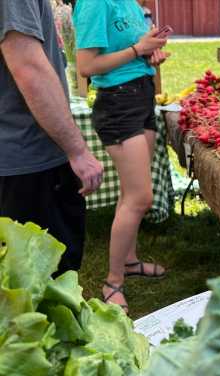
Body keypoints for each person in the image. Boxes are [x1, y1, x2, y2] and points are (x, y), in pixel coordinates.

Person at [74, 0, 170, 313]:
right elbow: (86, 66)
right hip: (117, 105)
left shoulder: (129, 3)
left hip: (141, 94)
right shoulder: (94, 3)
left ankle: (129, 262)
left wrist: (151, 51)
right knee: (140, 198)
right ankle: (112, 282)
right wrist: (136, 49)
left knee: (132, 194)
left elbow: (135, 49)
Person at [0, 0, 103, 275]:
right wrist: (78, 151)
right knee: (41, 287)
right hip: (28, 160)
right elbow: (28, 67)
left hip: (18, 157)